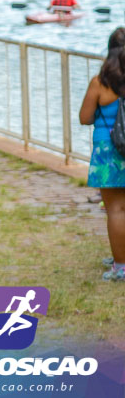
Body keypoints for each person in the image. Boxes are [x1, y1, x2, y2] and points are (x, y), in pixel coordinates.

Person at [78, 27, 125, 282]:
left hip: (108, 151)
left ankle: (121, 266)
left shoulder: (101, 82)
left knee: (116, 209)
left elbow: (84, 118)